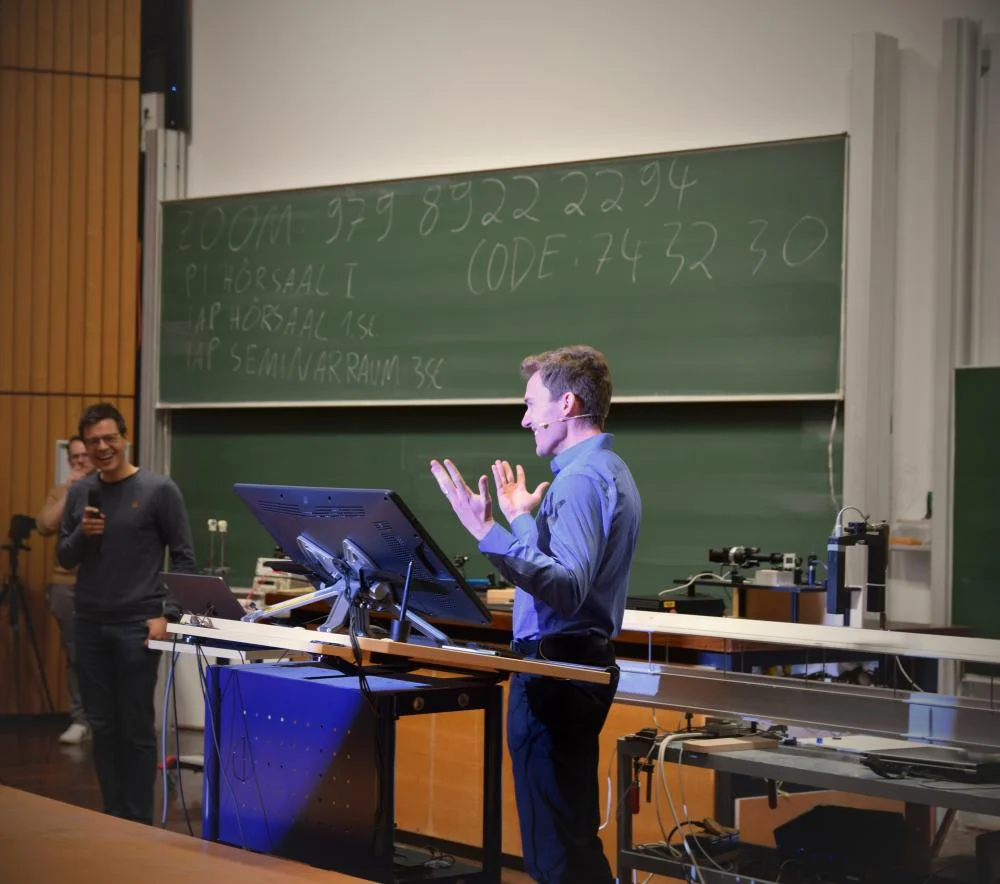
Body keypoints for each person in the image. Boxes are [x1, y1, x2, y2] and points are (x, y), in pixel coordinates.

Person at [430, 344, 641, 884]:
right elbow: (564, 574)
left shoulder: (579, 480)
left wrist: (488, 532)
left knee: (556, 855)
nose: (525, 419)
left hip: (555, 671)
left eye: (531, 404)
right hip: (566, 667)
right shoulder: (603, 470)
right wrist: (522, 521)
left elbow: (567, 589)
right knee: (567, 840)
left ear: (566, 404)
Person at [57, 402, 196, 825]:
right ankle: (111, 817)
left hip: (138, 625)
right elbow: (64, 555)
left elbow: (185, 558)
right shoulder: (81, 491)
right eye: (93, 441)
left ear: (124, 438)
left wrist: (167, 615)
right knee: (102, 726)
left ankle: (137, 823)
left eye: (109, 438)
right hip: (90, 623)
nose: (102, 447)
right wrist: (84, 532)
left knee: (135, 729)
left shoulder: (158, 490)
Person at [35, 435, 96, 744]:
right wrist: (70, 492)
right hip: (66, 585)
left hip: (102, 584)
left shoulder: (107, 487)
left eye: (84, 456)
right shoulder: (63, 490)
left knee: (102, 654)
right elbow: (44, 525)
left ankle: (101, 719)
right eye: (74, 457)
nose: (80, 461)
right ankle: (80, 718)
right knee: (75, 654)